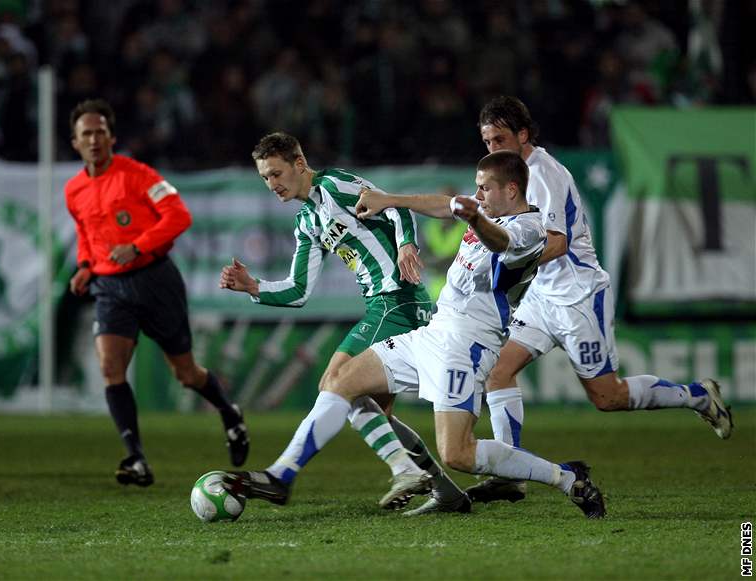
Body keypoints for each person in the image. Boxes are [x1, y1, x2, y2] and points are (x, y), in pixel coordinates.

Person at [221, 151, 607, 519]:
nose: (478, 195)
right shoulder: (482, 208)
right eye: (476, 188)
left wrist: (475, 220)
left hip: (467, 345)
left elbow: (500, 243)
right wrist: (392, 199)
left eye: (485, 188)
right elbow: (440, 204)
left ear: (511, 190)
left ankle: (566, 477)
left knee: (459, 454)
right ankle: (282, 475)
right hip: (433, 332)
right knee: (342, 383)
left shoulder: (529, 229)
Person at [465, 96, 733, 505]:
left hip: (577, 296)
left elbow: (556, 243)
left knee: (608, 397)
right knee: (497, 372)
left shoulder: (545, 174)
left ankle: (697, 395)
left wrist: (510, 261)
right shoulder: (503, 174)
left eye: (500, 138)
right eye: (487, 141)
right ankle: (511, 472)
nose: (493, 148)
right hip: (540, 297)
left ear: (523, 135)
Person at [219, 132, 469, 512]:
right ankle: (443, 491)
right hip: (380, 305)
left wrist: (405, 244)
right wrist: (254, 286)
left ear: (299, 163)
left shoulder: (336, 185)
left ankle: (284, 475)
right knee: (367, 406)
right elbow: (299, 290)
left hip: (397, 300)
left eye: (276, 173)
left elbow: (394, 206)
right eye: (265, 178)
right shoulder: (307, 221)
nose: (272, 184)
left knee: (337, 384)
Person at [65, 98, 248, 487]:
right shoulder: (74, 190)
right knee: (111, 369)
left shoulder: (139, 175)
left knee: (185, 373)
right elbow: (86, 233)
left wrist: (138, 245)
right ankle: (136, 458)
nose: (94, 140)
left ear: (112, 137)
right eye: (87, 134)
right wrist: (84, 266)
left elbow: (180, 216)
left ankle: (230, 414)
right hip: (110, 288)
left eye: (100, 132)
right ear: (75, 142)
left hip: (154, 280)